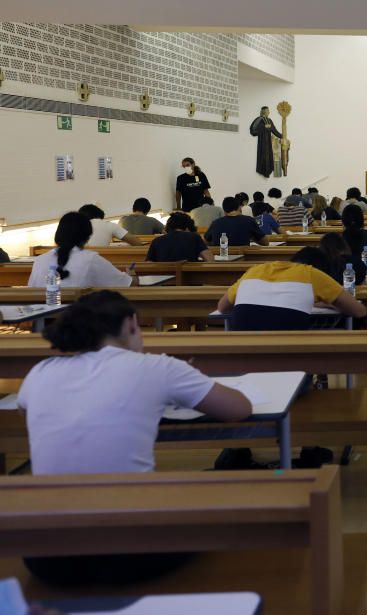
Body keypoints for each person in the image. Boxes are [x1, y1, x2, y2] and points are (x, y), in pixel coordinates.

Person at [17, 290, 251, 586]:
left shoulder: (40, 371)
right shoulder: (158, 367)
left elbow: (32, 416)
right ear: (131, 325)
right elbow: (239, 409)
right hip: (131, 548)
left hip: (43, 556)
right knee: (216, 494)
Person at [218, 247, 366, 330]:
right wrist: (328, 303)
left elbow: (222, 307)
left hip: (240, 357)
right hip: (286, 358)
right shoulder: (311, 273)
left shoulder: (254, 270)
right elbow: (359, 311)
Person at [29, 212, 135, 288]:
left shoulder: (40, 260)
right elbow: (125, 283)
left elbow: (31, 292)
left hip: (42, 318)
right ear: (87, 237)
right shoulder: (91, 259)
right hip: (79, 318)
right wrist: (131, 275)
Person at [146, 212, 213, 262]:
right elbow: (209, 260)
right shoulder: (194, 237)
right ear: (187, 228)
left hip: (163, 278)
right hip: (189, 278)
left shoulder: (156, 241)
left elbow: (148, 264)